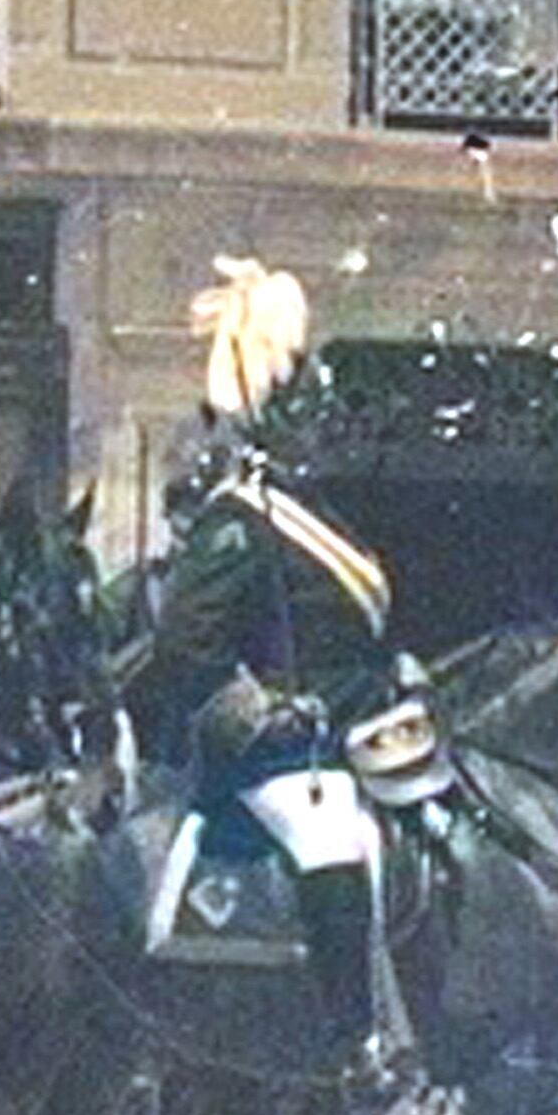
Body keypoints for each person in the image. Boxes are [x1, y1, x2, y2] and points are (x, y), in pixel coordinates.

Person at [118, 262, 400, 1074]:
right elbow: (184, 647)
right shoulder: (238, 521)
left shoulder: (322, 516)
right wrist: (258, 707)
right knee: (331, 843)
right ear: (274, 423)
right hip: (272, 756)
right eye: (307, 418)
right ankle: (358, 1045)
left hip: (349, 740)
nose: (322, 433)